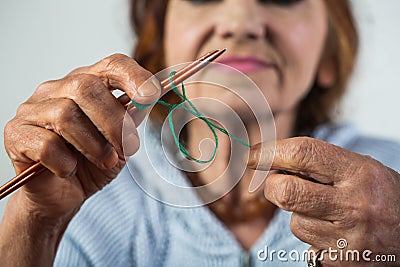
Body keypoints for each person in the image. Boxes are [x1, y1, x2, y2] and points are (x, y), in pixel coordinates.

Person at [1, 0, 399, 266]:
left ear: (330, 55)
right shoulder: (91, 200)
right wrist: (35, 222)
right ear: (161, 46)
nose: (240, 23)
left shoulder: (391, 186)